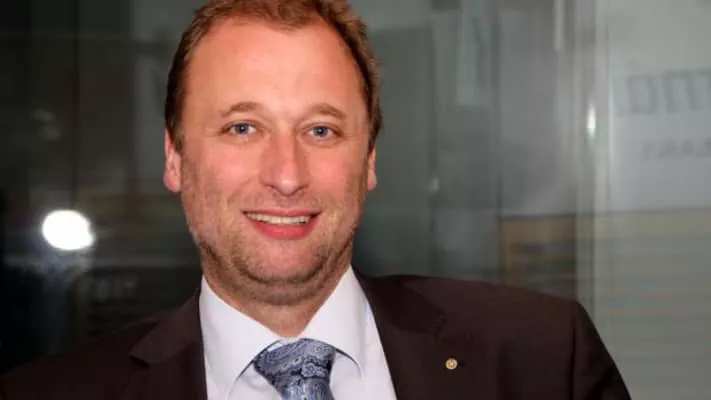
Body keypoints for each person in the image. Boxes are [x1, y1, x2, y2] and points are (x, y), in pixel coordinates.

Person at [0, 0, 631, 399]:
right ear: (175, 158)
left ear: (370, 160)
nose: (286, 174)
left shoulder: (543, 360)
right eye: (242, 127)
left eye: (321, 130)